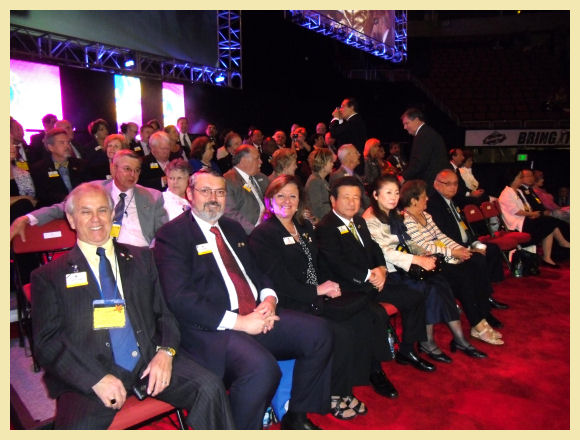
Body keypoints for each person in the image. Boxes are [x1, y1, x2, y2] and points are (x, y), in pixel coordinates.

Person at [30, 182, 234, 429]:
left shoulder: (142, 258)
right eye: (86, 212)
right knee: (76, 428)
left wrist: (165, 353)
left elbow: (166, 314)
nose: (96, 219)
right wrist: (94, 379)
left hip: (148, 359)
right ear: (72, 219)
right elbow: (47, 343)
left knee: (209, 388)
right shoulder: (49, 276)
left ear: (112, 214)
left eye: (102, 210)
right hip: (90, 370)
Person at [152, 170, 333, 430]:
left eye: (220, 192)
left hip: (255, 314)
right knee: (262, 369)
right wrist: (241, 322)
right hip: (213, 329)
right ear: (190, 194)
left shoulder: (232, 228)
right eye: (205, 191)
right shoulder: (172, 235)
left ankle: (295, 416)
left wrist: (269, 300)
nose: (213, 198)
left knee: (319, 332)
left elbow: (257, 273)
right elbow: (180, 298)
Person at [249, 175, 396, 420]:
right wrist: (317, 290)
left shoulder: (304, 227)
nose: (287, 201)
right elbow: (277, 280)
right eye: (280, 196)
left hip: (314, 298)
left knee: (361, 317)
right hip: (287, 304)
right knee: (341, 333)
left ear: (300, 200)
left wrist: (327, 286)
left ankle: (348, 387)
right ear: (269, 200)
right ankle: (333, 395)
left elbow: (318, 264)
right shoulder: (263, 234)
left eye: (293, 195)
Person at [316, 176, 436, 373]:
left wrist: (381, 268)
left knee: (415, 296)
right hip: (348, 288)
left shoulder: (358, 221)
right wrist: (370, 275)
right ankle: (375, 370)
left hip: (372, 282)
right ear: (333, 200)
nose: (352, 202)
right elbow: (337, 263)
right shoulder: (326, 227)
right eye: (346, 197)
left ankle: (407, 350)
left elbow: (374, 248)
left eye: (356, 197)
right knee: (377, 315)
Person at [363, 175, 487, 361]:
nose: (393, 197)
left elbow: (408, 242)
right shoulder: (371, 219)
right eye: (388, 193)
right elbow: (385, 252)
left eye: (396, 193)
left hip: (404, 266)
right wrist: (418, 259)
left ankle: (459, 338)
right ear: (375, 195)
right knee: (426, 288)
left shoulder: (394, 213)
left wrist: (424, 254)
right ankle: (426, 342)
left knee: (440, 282)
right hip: (388, 271)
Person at [400, 179, 504, 345]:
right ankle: (477, 323)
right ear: (413, 200)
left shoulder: (426, 215)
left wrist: (462, 250)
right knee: (464, 275)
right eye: (424, 196)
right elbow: (425, 246)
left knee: (476, 261)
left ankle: (483, 313)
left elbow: (441, 237)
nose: (427, 199)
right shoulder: (406, 220)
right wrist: (454, 252)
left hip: (445, 257)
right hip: (429, 263)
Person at [11, 149, 168, 248]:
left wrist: (151, 254)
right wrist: (27, 218)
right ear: (114, 168)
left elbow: (163, 234)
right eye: (127, 169)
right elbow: (61, 208)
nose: (133, 175)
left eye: (137, 170)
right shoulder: (94, 189)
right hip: (102, 252)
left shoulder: (153, 196)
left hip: (141, 253)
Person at [429, 169, 507, 290]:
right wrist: (469, 248)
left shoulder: (453, 201)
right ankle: (483, 292)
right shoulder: (433, 205)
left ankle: (491, 287)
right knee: (478, 258)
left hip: (466, 242)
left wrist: (475, 243)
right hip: (454, 248)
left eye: (455, 183)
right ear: (436, 184)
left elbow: (464, 226)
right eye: (448, 183)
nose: (453, 187)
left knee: (493, 249)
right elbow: (443, 235)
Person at [498, 167, 569, 268]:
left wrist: (533, 214)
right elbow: (516, 211)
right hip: (516, 224)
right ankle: (561, 243)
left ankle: (548, 257)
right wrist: (532, 214)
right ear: (513, 179)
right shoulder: (506, 193)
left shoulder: (518, 191)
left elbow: (527, 207)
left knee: (550, 223)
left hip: (524, 219)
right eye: (520, 177)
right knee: (549, 222)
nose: (521, 179)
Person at [30, 127, 89, 207]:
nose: (67, 146)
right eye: (62, 143)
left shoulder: (80, 164)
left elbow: (89, 185)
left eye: (68, 142)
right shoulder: (40, 169)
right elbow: (43, 195)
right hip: (55, 209)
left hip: (82, 204)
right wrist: (65, 199)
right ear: (51, 147)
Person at [223, 144, 269, 234]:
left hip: (267, 226)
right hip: (249, 232)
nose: (261, 162)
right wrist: (255, 232)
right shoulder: (228, 181)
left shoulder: (262, 177)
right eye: (257, 158)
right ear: (244, 161)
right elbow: (229, 213)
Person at [400, 108, 448, 194]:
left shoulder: (423, 135)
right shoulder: (427, 133)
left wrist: (403, 177)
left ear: (416, 120)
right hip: (436, 182)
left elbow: (419, 163)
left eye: (407, 123)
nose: (405, 127)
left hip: (431, 184)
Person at [329, 98, 367, 175]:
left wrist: (335, 118)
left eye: (342, 106)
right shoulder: (354, 121)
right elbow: (342, 133)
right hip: (352, 163)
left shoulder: (354, 121)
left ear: (352, 107)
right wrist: (339, 119)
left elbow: (334, 133)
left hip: (352, 164)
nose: (340, 110)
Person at [329, 144, 370, 212]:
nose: (359, 154)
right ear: (348, 156)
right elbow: (344, 205)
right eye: (356, 152)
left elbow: (364, 198)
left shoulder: (356, 176)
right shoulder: (338, 176)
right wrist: (365, 214)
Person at [305, 148, 334, 224]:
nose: (333, 164)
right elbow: (317, 209)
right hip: (322, 223)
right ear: (323, 163)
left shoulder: (321, 180)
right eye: (330, 161)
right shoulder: (315, 182)